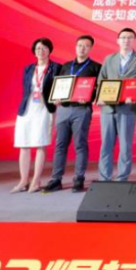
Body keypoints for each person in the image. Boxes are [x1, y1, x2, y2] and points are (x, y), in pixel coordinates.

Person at [42, 35, 100, 193]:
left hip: (82, 110)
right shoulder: (66, 66)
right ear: (75, 47)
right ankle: (56, 179)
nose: (82, 48)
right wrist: (56, 98)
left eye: (86, 46)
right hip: (63, 109)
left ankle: (79, 179)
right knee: (60, 145)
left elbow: (99, 89)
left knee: (80, 144)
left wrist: (90, 97)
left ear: (90, 48)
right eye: (80, 45)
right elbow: (59, 85)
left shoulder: (96, 67)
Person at [97, 27, 136, 182]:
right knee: (106, 144)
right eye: (123, 37)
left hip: (127, 107)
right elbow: (101, 80)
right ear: (118, 40)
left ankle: (122, 178)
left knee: (125, 145)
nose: (126, 40)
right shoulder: (109, 59)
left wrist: (134, 96)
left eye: (130, 37)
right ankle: (104, 178)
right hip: (107, 108)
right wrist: (100, 97)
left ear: (134, 40)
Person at [13, 37, 60, 193]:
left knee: (40, 144)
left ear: (50, 50)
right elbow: (26, 89)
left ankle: (36, 181)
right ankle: (23, 181)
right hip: (26, 110)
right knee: (24, 144)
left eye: (44, 48)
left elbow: (62, 86)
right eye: (38, 48)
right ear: (34, 51)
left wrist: (59, 98)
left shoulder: (56, 68)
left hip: (44, 109)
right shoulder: (28, 69)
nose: (41, 51)